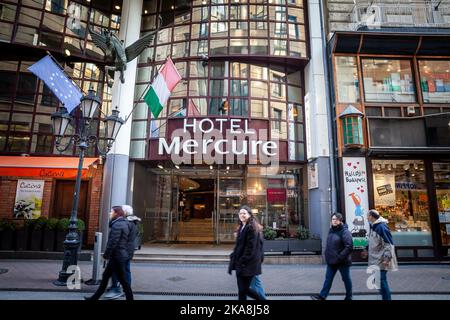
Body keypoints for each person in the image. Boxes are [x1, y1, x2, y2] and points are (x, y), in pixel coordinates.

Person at [84, 206, 134, 300]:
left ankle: (130, 298)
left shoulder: (118, 225)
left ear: (116, 213)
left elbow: (112, 242)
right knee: (106, 276)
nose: (110, 213)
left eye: (111, 212)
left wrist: (106, 255)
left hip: (117, 256)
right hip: (118, 255)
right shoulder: (123, 223)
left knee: (122, 279)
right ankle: (94, 297)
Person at [311, 213, 353, 300]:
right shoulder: (331, 230)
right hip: (332, 260)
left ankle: (349, 296)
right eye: (333, 219)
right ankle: (322, 296)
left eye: (336, 219)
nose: (334, 221)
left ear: (340, 221)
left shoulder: (345, 232)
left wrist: (340, 257)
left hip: (342, 261)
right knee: (328, 279)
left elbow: (349, 246)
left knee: (346, 279)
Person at [228, 205, 265, 301]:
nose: (242, 215)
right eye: (240, 213)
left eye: (244, 213)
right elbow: (240, 245)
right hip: (244, 264)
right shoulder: (242, 227)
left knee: (244, 289)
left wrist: (241, 261)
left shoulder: (251, 227)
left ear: (249, 214)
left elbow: (250, 248)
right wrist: (233, 256)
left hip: (248, 264)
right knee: (242, 291)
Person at [103, 205, 140, 300]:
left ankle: (117, 289)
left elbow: (118, 239)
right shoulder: (133, 222)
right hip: (128, 250)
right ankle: (125, 290)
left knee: (118, 271)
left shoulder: (126, 223)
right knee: (126, 270)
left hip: (123, 251)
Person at [362, 209, 398, 300]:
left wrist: (386, 259)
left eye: (367, 215)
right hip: (375, 259)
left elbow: (388, 244)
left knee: (381, 281)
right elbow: (372, 241)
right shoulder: (373, 226)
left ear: (371, 216)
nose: (366, 217)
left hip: (381, 259)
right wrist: (366, 250)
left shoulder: (381, 227)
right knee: (377, 281)